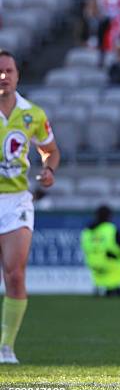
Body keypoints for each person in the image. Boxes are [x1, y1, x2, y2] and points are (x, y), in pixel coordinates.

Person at [0, 50, 60, 364]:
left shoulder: (32, 114)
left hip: (16, 200)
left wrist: (48, 170)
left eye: (8, 71)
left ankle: (6, 347)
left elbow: (50, 151)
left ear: (17, 75)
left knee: (15, 275)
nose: (3, 76)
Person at [81, 206, 120, 296]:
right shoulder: (111, 229)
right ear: (109, 216)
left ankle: (108, 288)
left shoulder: (87, 231)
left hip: (93, 264)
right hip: (110, 262)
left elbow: (85, 248)